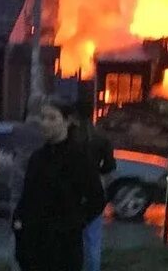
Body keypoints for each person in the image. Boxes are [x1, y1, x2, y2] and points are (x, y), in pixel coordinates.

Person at [12, 97, 106, 271]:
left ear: (67, 121)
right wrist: (18, 223)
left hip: (64, 249)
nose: (45, 123)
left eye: (52, 118)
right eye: (43, 118)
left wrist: (74, 223)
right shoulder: (38, 158)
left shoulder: (80, 158)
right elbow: (28, 197)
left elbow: (97, 200)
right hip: (33, 246)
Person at [70, 99, 116, 271]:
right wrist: (97, 172)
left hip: (72, 193)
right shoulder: (101, 138)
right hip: (94, 193)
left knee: (72, 238)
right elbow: (110, 166)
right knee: (93, 240)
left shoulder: (69, 137)